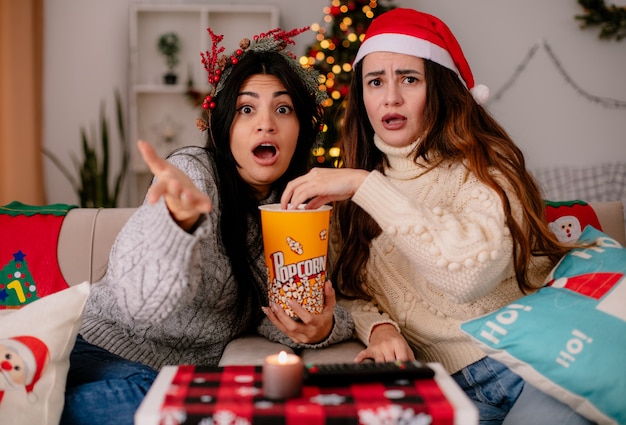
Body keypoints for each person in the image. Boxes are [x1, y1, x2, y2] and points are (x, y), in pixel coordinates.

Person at [280, 8, 594, 425]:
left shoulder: (487, 169)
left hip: (530, 366)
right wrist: (379, 328)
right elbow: (350, 291)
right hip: (441, 384)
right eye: (376, 82)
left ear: (439, 87)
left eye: (409, 79)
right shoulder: (355, 197)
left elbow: (467, 275)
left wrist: (363, 186)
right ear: (364, 98)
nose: (391, 97)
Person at [61, 27, 354, 425]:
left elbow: (282, 319)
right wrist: (177, 226)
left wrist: (322, 328)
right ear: (224, 127)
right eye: (247, 109)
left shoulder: (303, 211)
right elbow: (139, 305)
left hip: (164, 379)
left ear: (301, 128)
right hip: (92, 351)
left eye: (283, 109)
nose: (265, 124)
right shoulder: (193, 177)